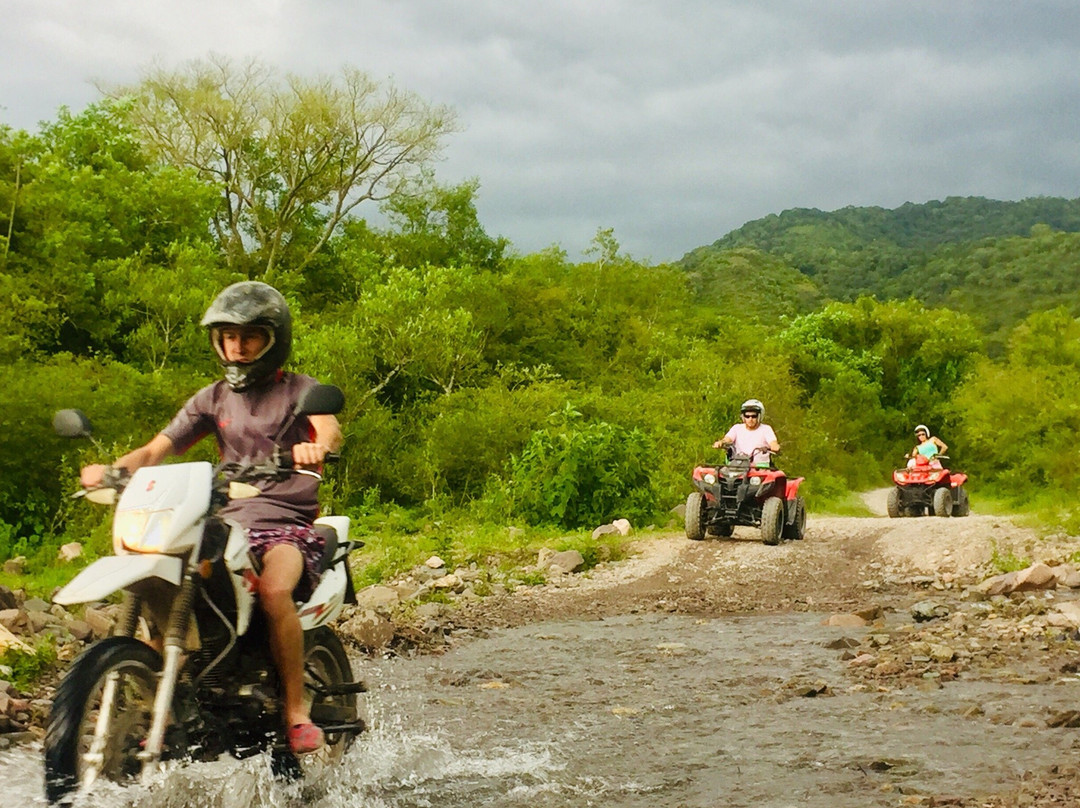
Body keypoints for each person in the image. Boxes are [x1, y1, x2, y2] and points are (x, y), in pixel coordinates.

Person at [79, 281, 342, 755]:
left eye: (250, 336)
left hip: (284, 521)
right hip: (225, 516)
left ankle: (296, 711)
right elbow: (157, 449)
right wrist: (114, 471)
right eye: (227, 336)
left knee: (275, 590)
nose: (237, 347)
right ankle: (159, 696)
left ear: (273, 338)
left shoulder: (301, 391)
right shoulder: (212, 398)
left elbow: (328, 428)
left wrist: (317, 446)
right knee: (171, 575)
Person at [713, 398, 780, 463]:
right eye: (747, 416)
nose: (750, 419)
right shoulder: (737, 428)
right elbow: (728, 439)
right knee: (713, 474)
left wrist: (774, 446)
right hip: (738, 466)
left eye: (754, 416)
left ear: (759, 416)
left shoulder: (766, 429)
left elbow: (773, 442)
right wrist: (721, 443)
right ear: (743, 417)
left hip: (759, 468)